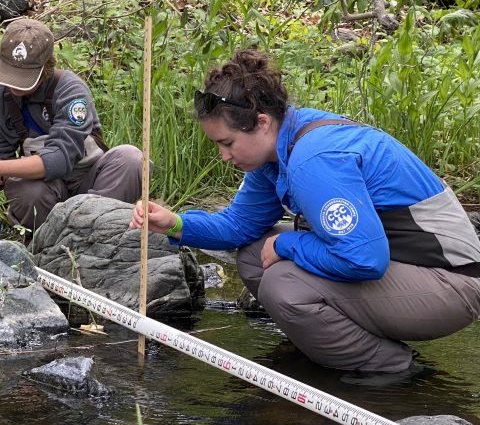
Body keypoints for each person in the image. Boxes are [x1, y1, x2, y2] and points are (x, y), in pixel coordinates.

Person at [130, 48, 480, 375]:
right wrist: (174, 223)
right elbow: (238, 226)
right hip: (406, 266)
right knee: (254, 255)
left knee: (284, 283)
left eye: (227, 143)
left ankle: (389, 369)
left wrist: (287, 246)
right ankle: (333, 345)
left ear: (262, 123)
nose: (224, 156)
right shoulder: (279, 150)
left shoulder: (314, 160)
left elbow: (363, 260)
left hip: (452, 283)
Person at [0, 18, 147, 233]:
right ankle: (49, 240)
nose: (14, 84)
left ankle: (101, 231)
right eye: (10, 73)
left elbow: (59, 159)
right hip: (45, 189)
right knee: (26, 191)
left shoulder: (70, 89)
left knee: (130, 158)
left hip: (90, 179)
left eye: (24, 76)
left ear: (47, 65)